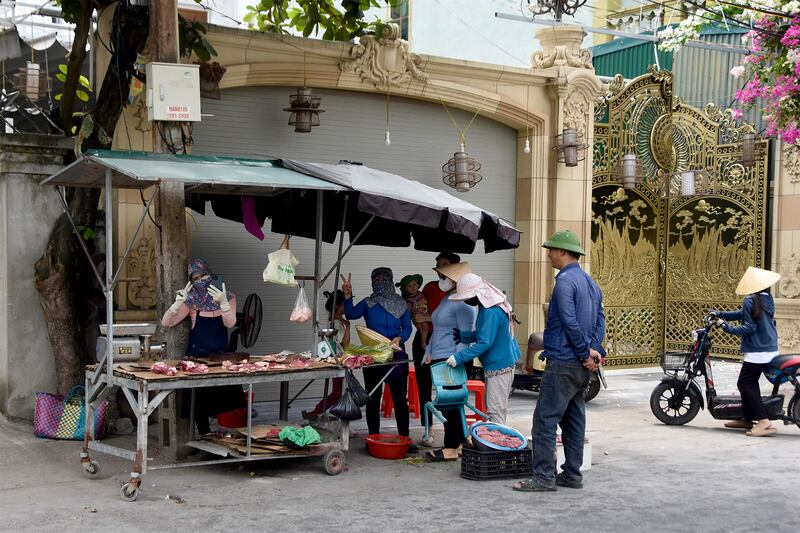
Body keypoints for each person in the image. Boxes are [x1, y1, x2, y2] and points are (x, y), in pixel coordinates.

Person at [514, 230, 605, 492]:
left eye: (552, 250)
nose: (549, 255)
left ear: (563, 252)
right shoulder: (589, 282)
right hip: (580, 366)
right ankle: (572, 474)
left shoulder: (565, 282)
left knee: (545, 421)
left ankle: (543, 477)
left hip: (564, 361)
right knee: (574, 420)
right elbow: (600, 320)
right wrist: (593, 350)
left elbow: (568, 320)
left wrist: (584, 352)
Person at [161, 258, 245, 435]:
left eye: (203, 275)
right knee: (198, 402)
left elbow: (230, 324)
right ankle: (206, 435)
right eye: (195, 277)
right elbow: (167, 322)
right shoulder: (191, 302)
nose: (200, 279)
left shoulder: (228, 296)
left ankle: (230, 435)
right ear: (191, 281)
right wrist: (176, 304)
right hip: (197, 359)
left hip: (221, 359)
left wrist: (223, 304)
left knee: (228, 398)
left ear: (210, 274)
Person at [341, 268, 417, 452]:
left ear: (391, 280)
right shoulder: (368, 303)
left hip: (396, 354)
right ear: (372, 281)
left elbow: (407, 327)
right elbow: (350, 314)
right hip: (373, 355)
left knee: (400, 399)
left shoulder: (401, 304)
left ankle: (404, 438)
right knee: (373, 397)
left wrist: (400, 338)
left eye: (384, 278)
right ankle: (372, 437)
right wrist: (348, 295)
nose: (380, 281)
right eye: (376, 278)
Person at [712, 266, 782, 437]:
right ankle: (747, 418)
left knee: (744, 384)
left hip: (757, 351)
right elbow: (743, 314)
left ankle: (764, 422)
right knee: (750, 384)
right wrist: (720, 313)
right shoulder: (767, 298)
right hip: (769, 347)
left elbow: (749, 326)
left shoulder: (751, 300)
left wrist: (726, 327)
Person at [447, 272, 520, 425]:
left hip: (500, 366)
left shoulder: (490, 311)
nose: (467, 300)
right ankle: (497, 442)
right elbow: (486, 333)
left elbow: (485, 342)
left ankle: (498, 445)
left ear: (477, 294)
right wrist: (464, 336)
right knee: (495, 409)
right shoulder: (490, 306)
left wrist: (458, 357)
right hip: (502, 364)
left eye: (467, 297)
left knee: (495, 412)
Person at [422, 262, 476, 461]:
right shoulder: (448, 298)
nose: (441, 281)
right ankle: (460, 442)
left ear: (456, 281)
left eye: (445, 277)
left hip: (452, 359)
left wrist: (457, 359)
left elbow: (466, 336)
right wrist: (429, 350)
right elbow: (440, 330)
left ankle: (451, 447)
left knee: (450, 404)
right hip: (440, 357)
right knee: (450, 404)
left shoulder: (463, 303)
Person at [415, 252, 462, 446]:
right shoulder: (429, 287)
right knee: (424, 386)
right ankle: (428, 429)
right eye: (438, 265)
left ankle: (456, 434)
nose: (440, 268)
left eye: (444, 264)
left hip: (449, 343)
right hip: (426, 340)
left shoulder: (462, 290)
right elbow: (420, 311)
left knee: (451, 389)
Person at [302, 290, 350, 421]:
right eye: (345, 304)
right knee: (337, 393)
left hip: (331, 357)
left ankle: (317, 412)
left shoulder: (331, 319)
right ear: (338, 305)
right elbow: (345, 343)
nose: (347, 307)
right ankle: (318, 412)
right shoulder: (338, 323)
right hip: (337, 359)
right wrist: (348, 326)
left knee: (338, 392)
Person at [398, 274, 432, 352]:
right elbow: (408, 314)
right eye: (409, 286)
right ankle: (423, 343)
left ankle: (423, 340)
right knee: (424, 327)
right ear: (406, 289)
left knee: (425, 328)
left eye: (414, 284)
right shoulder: (409, 301)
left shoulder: (421, 294)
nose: (413, 287)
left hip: (425, 314)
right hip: (416, 317)